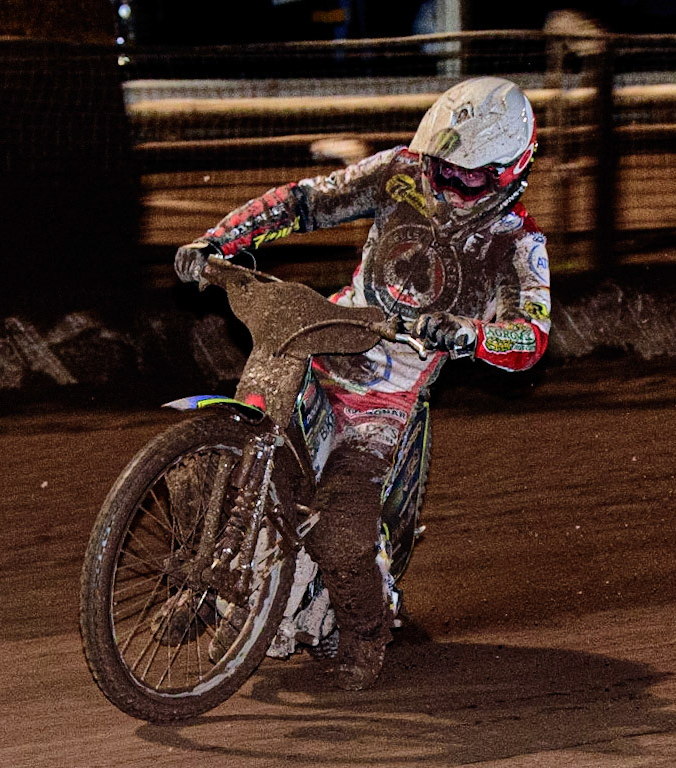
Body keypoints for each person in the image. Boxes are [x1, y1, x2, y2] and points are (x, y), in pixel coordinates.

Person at [174, 77, 551, 690]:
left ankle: (366, 633)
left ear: (508, 171)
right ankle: (201, 581)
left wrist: (467, 334)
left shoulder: (518, 245)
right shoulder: (401, 173)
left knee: (340, 530)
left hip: (385, 401)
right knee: (215, 455)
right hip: (327, 339)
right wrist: (221, 238)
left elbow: (531, 338)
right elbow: (307, 200)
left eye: (467, 177)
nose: (447, 184)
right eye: (440, 167)